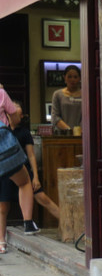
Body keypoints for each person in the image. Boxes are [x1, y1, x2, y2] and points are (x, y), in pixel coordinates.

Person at [0, 102, 59, 252]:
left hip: (19, 167)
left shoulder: (23, 132)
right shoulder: (4, 130)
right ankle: (1, 241)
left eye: (20, 115)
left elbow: (31, 155)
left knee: (42, 198)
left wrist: (36, 176)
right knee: (2, 207)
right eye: (15, 114)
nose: (17, 117)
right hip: (7, 169)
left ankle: (68, 224)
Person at [0, 93, 39, 239]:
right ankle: (28, 223)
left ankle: (1, 241)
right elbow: (15, 118)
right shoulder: (2, 94)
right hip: (4, 154)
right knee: (24, 181)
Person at [51, 65, 82, 134]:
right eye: (69, 77)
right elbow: (55, 117)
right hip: (62, 135)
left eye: (75, 77)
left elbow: (87, 116)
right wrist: (69, 131)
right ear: (64, 77)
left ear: (79, 78)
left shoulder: (85, 95)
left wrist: (79, 131)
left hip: (81, 135)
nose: (72, 80)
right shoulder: (57, 94)